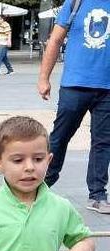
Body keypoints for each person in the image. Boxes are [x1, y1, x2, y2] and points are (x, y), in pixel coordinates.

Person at [0, 116, 94, 251]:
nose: (29, 167)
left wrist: (83, 248)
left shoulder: (61, 207)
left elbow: (84, 239)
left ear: (48, 161)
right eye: (18, 160)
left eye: (38, 159)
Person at [40, 0, 110, 214]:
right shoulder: (75, 2)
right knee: (60, 137)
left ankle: (97, 194)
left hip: (107, 88)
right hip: (74, 84)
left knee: (103, 142)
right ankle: (42, 186)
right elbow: (55, 40)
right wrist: (44, 77)